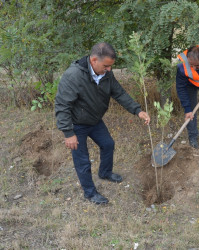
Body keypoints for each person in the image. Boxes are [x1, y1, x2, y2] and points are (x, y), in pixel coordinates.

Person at [55, 42, 150, 205]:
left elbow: (119, 93)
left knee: (108, 144)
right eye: (106, 66)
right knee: (82, 160)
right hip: (77, 124)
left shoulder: (106, 74)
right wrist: (68, 133)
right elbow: (62, 105)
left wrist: (137, 110)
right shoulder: (73, 76)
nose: (109, 70)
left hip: (94, 120)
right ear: (93, 60)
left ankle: (105, 173)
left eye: (111, 66)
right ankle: (90, 193)